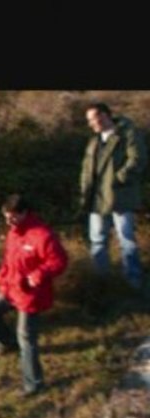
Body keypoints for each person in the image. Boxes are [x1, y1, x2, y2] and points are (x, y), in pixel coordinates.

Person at [0, 194, 68, 397]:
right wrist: (1, 279)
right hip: (11, 288)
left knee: (27, 337)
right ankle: (8, 343)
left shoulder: (42, 235)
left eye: (12, 217)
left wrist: (40, 273)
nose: (8, 222)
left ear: (24, 213)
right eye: (5, 217)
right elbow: (9, 261)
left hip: (31, 295)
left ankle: (33, 384)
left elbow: (59, 261)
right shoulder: (13, 234)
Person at [79, 101, 146, 288]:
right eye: (89, 120)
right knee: (98, 241)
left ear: (104, 116)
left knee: (126, 241)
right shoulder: (94, 141)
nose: (90, 123)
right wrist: (85, 191)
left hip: (120, 197)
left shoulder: (128, 133)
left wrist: (118, 179)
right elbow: (86, 169)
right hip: (97, 199)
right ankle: (102, 282)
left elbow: (138, 160)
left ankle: (133, 281)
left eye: (93, 118)